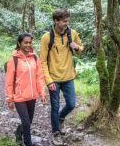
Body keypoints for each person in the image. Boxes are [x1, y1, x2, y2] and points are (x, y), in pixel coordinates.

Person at [40, 8, 83, 145]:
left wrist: (76, 47)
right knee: (55, 106)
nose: (67, 23)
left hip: (69, 76)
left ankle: (61, 118)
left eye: (68, 21)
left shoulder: (72, 33)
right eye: (64, 21)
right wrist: (48, 80)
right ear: (56, 21)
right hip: (54, 79)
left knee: (71, 104)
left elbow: (80, 50)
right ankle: (56, 133)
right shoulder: (47, 37)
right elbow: (43, 61)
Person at [5, 32, 47, 146]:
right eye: (25, 42)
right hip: (19, 97)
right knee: (26, 122)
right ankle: (28, 143)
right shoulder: (13, 60)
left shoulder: (34, 57)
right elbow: (9, 81)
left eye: (30, 42)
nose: (28, 45)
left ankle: (19, 131)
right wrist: (9, 99)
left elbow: (39, 76)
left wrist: (42, 93)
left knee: (28, 122)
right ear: (19, 43)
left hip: (32, 96)